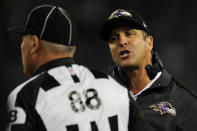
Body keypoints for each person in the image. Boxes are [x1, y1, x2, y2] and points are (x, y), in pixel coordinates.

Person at [6, 5, 154, 131]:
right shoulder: (115, 86)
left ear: (34, 44)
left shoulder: (26, 95)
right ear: (71, 48)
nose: (21, 46)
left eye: (23, 40)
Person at [100, 9, 197, 131]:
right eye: (114, 38)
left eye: (129, 33)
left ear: (149, 42)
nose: (122, 42)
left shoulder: (185, 105)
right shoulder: (97, 99)